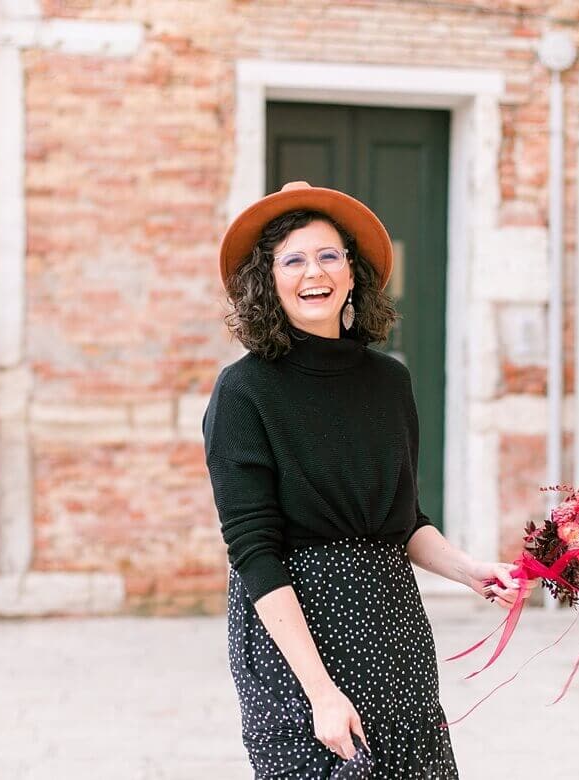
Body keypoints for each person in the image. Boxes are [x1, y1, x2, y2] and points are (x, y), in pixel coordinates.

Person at [203, 181, 529, 779]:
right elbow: (254, 551)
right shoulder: (243, 392)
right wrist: (321, 693)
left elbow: (401, 523)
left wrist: (470, 570)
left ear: (352, 274)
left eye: (329, 255)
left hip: (392, 628)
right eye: (293, 260)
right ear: (267, 281)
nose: (313, 273)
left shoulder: (389, 382)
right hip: (295, 641)